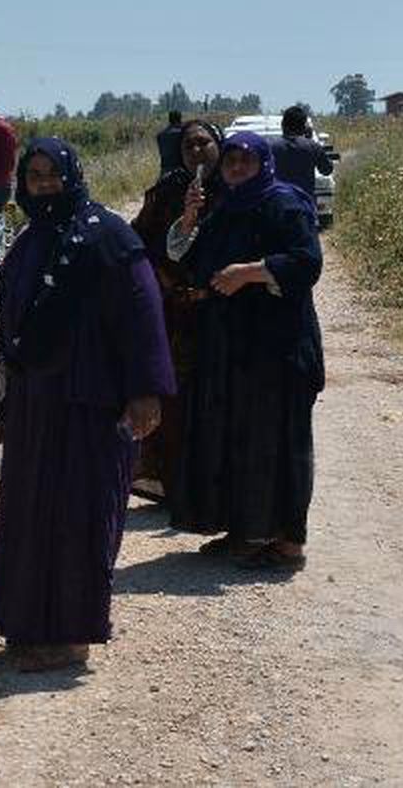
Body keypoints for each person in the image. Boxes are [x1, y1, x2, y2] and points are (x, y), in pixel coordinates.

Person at [0, 137, 175, 671]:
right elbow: (10, 330)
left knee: (80, 515)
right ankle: (27, 623)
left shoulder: (107, 236)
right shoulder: (28, 241)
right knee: (30, 513)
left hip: (92, 399)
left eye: (52, 174)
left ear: (72, 174)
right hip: (37, 403)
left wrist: (144, 391)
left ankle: (70, 636)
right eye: (34, 174)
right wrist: (2, 404)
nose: (44, 184)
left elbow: (142, 315)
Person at [167, 131, 324, 570]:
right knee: (240, 438)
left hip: (279, 347)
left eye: (245, 161)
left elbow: (306, 262)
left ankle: (288, 543)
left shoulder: (284, 204)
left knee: (281, 442)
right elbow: (192, 262)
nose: (235, 168)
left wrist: (251, 273)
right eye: (230, 161)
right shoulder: (227, 207)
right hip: (236, 348)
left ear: (263, 163)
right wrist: (188, 218)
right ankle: (246, 530)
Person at [130, 120, 224, 505]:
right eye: (189, 146)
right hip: (174, 312)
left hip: (220, 312)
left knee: (214, 399)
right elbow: (138, 241)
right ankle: (166, 483)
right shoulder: (169, 189)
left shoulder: (234, 188)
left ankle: (211, 487)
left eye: (204, 143)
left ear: (219, 145)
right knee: (172, 398)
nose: (196, 152)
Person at [269, 105, 333, 202]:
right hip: (305, 204)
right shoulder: (312, 146)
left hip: (279, 204)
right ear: (304, 127)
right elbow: (326, 170)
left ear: (283, 125)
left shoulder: (271, 147)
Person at [156, 110, 185, 175]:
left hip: (165, 170)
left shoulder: (161, 135)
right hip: (182, 170)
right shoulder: (183, 133)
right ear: (180, 119)